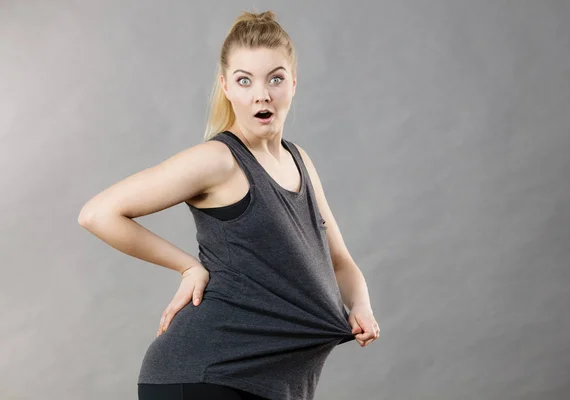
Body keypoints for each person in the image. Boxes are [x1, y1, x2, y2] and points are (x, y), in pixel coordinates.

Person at [78, 10, 380, 400]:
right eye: (244, 80)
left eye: (275, 78)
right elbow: (97, 214)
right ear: (225, 87)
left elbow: (339, 262)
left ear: (293, 83)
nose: (262, 94)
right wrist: (188, 266)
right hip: (206, 375)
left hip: (268, 384)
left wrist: (362, 307)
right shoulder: (218, 160)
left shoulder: (299, 160)